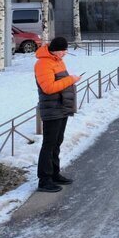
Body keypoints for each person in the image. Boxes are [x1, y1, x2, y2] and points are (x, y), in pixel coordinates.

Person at [35, 37, 79, 192]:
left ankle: (54, 173)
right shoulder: (43, 63)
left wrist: (70, 80)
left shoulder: (57, 61)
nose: (65, 53)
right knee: (49, 144)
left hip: (61, 107)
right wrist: (70, 80)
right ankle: (44, 179)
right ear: (55, 50)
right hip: (51, 109)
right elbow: (48, 88)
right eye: (63, 50)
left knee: (57, 142)